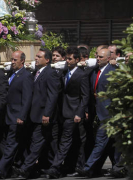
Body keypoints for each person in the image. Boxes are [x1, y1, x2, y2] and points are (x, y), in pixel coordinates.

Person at [12, 48, 60, 179]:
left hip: (43, 115)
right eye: (36, 56)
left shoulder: (50, 73)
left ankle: (25, 168)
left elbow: (52, 95)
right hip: (35, 115)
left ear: (47, 60)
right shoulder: (36, 72)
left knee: (37, 143)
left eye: (39, 56)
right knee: (48, 144)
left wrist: (47, 114)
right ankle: (53, 168)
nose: (36, 58)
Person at [45, 47, 89, 179]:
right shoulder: (63, 72)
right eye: (67, 59)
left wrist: (79, 113)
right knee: (72, 141)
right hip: (63, 112)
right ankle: (74, 166)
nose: (68, 61)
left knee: (65, 140)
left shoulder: (82, 75)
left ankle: (55, 167)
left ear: (77, 60)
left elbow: (85, 96)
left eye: (70, 59)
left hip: (73, 112)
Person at [0, 51, 33, 179]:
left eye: (15, 60)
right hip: (7, 116)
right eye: (12, 60)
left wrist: (22, 116)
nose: (12, 62)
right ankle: (23, 168)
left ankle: (0, 170)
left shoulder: (26, 76)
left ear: (22, 61)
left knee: (11, 144)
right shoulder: (11, 74)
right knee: (15, 144)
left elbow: (26, 99)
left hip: (16, 116)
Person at [77, 48, 120, 178]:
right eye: (97, 56)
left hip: (108, 114)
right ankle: (118, 168)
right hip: (97, 112)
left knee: (100, 141)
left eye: (101, 57)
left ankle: (88, 167)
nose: (98, 59)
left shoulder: (113, 72)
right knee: (110, 145)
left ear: (108, 58)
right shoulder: (95, 72)